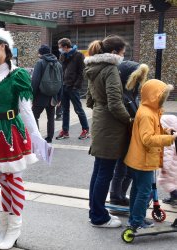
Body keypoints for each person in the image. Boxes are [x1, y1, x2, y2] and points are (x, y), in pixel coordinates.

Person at [0, 27, 49, 249]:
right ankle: (3, 229)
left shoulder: (17, 75)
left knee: (13, 180)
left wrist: (37, 138)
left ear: (3, 47)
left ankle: (13, 230)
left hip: (10, 132)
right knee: (3, 182)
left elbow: (26, 109)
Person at [85, 35, 131, 228]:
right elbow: (115, 102)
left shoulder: (93, 68)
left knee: (99, 171)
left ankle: (94, 211)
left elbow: (89, 100)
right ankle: (99, 217)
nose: (123, 56)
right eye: (122, 53)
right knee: (105, 172)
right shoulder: (110, 68)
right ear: (114, 53)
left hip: (99, 120)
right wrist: (129, 120)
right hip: (110, 125)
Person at [124, 80, 176, 230]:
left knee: (137, 189)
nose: (164, 99)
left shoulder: (149, 110)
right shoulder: (147, 114)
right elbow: (147, 139)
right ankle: (136, 222)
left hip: (138, 158)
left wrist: (167, 132)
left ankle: (134, 218)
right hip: (143, 160)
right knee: (144, 191)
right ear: (155, 96)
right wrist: (170, 139)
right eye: (162, 96)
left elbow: (153, 131)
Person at [109, 62, 149, 206]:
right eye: (137, 77)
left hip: (131, 136)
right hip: (125, 137)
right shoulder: (123, 95)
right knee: (122, 168)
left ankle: (119, 194)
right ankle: (116, 195)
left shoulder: (130, 93)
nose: (139, 80)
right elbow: (124, 116)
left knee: (127, 169)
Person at [56, 38, 90, 140]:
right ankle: (65, 131)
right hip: (64, 86)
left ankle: (86, 130)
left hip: (73, 87)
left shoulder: (78, 55)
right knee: (65, 110)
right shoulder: (63, 56)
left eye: (60, 47)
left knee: (78, 109)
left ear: (65, 47)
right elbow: (62, 71)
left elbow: (82, 72)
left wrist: (75, 86)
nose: (59, 49)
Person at [31, 45, 63, 143]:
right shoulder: (58, 64)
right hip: (53, 96)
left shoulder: (40, 63)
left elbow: (35, 81)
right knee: (51, 118)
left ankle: (37, 138)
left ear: (41, 53)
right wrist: (59, 98)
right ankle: (49, 138)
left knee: (34, 116)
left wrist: (31, 95)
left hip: (40, 96)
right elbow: (61, 82)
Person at [159, 115, 177, 207]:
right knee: (173, 182)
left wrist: (164, 167)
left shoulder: (168, 140)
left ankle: (175, 197)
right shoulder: (174, 136)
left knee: (165, 182)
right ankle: (173, 198)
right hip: (174, 165)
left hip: (169, 167)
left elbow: (167, 154)